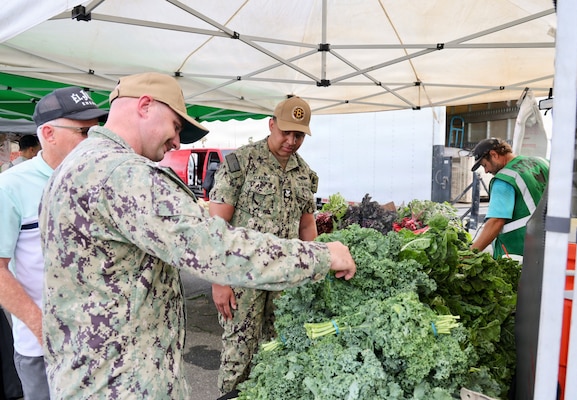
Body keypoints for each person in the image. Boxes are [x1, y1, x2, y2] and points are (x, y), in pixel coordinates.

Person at [38, 72, 356, 399]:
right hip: (123, 383)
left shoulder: (78, 164)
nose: (177, 142)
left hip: (92, 372)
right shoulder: (124, 174)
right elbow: (215, 246)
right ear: (145, 106)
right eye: (176, 126)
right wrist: (322, 256)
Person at [0, 86, 108, 400]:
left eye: (97, 130)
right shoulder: (11, 187)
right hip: (43, 349)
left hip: (100, 341)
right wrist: (41, 327)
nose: (94, 140)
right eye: (84, 131)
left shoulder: (98, 176)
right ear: (48, 133)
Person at [208, 96, 318, 394]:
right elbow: (216, 227)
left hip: (285, 281)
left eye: (299, 135)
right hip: (243, 279)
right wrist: (219, 281)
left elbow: (307, 227)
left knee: (276, 352)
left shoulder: (305, 174)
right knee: (238, 355)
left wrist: (316, 274)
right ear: (271, 124)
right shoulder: (241, 163)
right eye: (286, 132)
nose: (292, 141)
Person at [469, 137, 549, 259]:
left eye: (485, 165)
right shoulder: (541, 162)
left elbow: (496, 222)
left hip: (519, 252)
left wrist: (470, 254)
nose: (486, 171)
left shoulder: (504, 180)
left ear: (494, 154)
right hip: (547, 244)